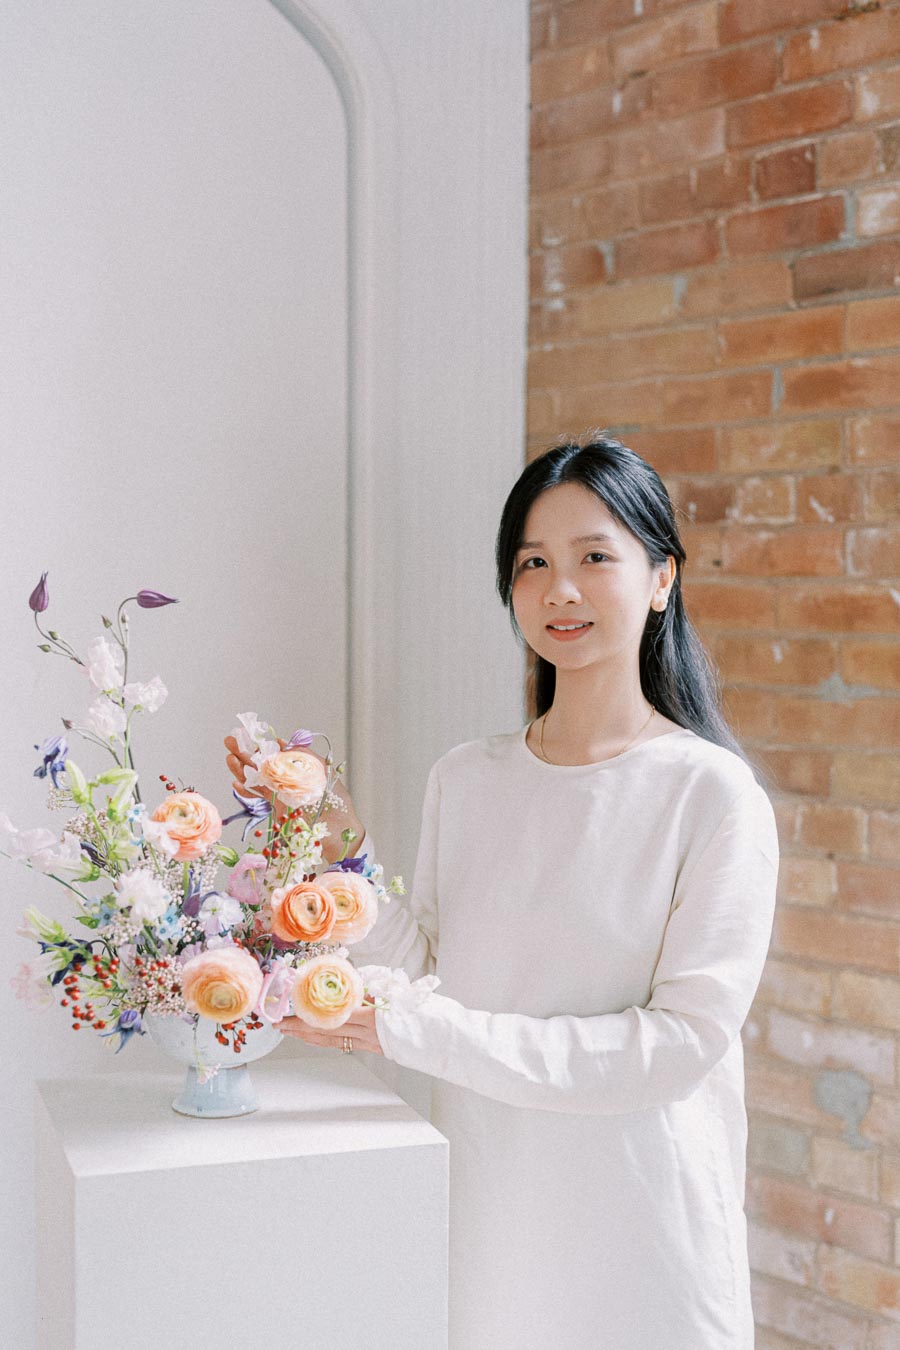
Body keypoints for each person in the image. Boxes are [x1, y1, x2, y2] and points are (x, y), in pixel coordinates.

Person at [225, 434, 779, 1350]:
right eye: (532, 563)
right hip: (493, 1218)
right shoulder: (468, 777)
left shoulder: (710, 796)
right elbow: (433, 972)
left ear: (662, 578)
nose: (560, 589)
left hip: (645, 1234)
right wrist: (335, 843)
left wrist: (405, 1028)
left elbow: (676, 1048)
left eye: (594, 557)